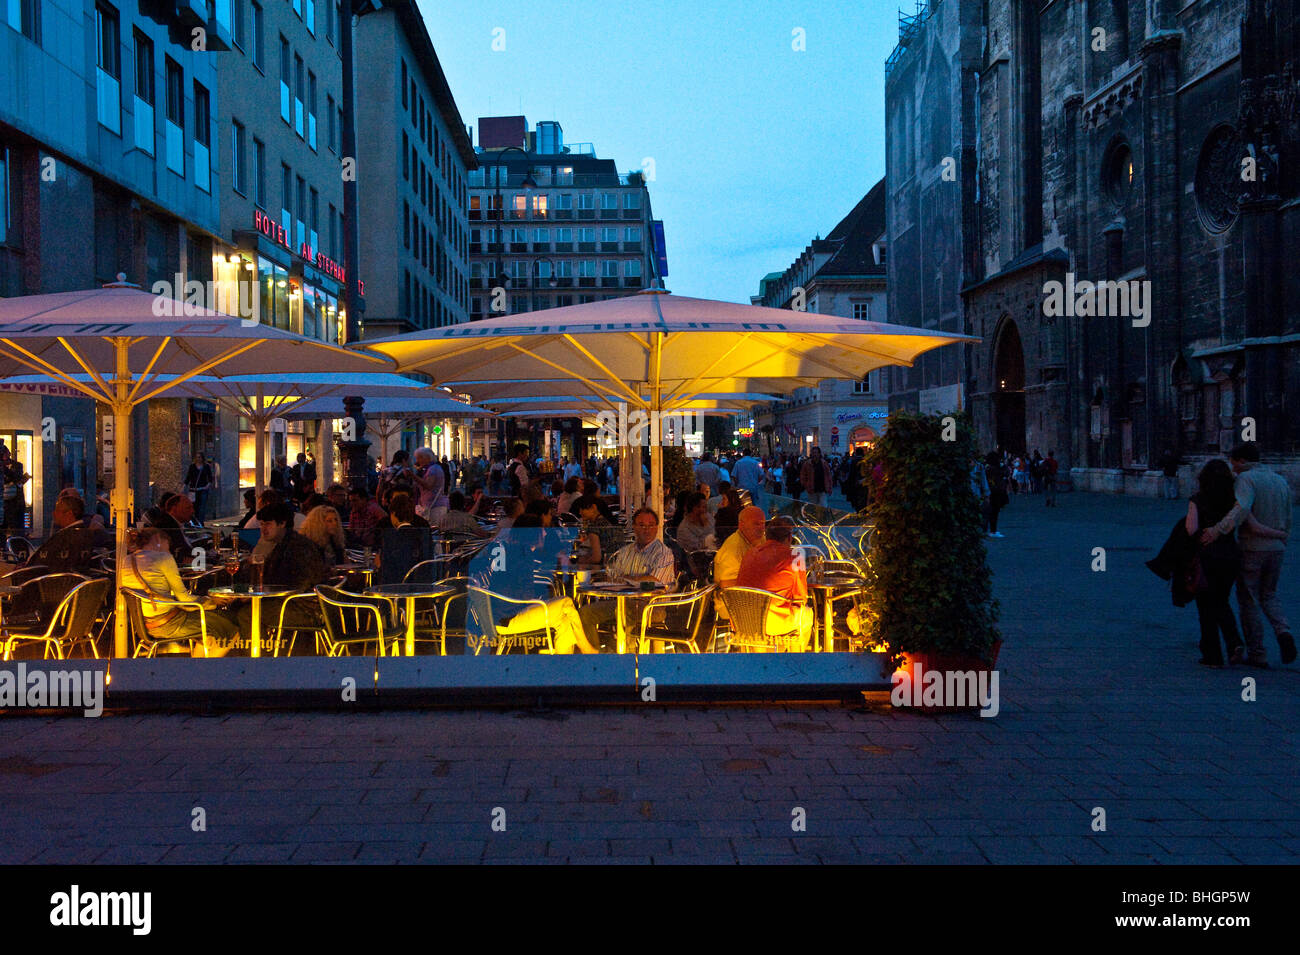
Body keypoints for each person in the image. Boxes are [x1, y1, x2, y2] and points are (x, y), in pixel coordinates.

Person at [1200, 443, 1293, 667]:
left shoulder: (1246, 480)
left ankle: (1257, 653)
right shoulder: (1280, 481)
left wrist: (1217, 530)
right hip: (1277, 547)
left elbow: (1241, 509)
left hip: (1253, 547)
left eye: (1234, 464)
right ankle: (1283, 631)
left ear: (1242, 461)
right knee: (1269, 594)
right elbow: (1289, 515)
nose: (1232, 470)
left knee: (1249, 599)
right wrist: (1283, 536)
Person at [467, 520, 598, 654]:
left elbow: (510, 588)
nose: (545, 532)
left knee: (564, 619)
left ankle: (565, 659)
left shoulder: (512, 552)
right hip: (509, 619)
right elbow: (517, 593)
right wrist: (538, 598)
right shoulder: (521, 557)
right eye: (541, 530)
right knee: (566, 603)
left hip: (502, 614)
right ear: (532, 535)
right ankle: (586, 648)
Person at [121, 526, 239, 657]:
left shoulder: (126, 560)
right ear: (159, 540)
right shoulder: (163, 558)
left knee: (211, 630)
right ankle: (205, 671)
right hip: (171, 624)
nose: (169, 550)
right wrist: (212, 602)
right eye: (168, 546)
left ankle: (197, 667)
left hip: (145, 625)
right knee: (229, 625)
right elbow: (185, 601)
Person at [236, 502, 331, 651]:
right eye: (261, 524)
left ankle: (259, 660)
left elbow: (292, 585)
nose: (263, 529)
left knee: (247, 614)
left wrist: (251, 594)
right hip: (305, 605)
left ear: (282, 524)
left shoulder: (296, 548)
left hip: (306, 609)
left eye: (268, 524)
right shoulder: (285, 544)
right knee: (246, 609)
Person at [579, 508, 676, 651]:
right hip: (623, 602)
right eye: (641, 525)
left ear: (657, 527)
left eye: (651, 525)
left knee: (628, 612)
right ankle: (595, 657)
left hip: (652, 607)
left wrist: (627, 579)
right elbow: (613, 576)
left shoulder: (663, 553)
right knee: (585, 613)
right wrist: (626, 579)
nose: (646, 529)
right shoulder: (626, 551)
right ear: (634, 527)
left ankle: (628, 659)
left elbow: (654, 581)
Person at [1183, 460, 1244, 668]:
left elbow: (1191, 529)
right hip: (1230, 555)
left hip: (1207, 557)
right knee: (1221, 600)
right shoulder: (1233, 499)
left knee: (1206, 606)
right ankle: (1234, 642)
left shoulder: (1197, 499)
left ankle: (1212, 654)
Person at [735, 515, 813, 648]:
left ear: (767, 536)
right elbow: (801, 598)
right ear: (789, 538)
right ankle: (796, 662)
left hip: (744, 622)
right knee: (807, 614)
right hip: (774, 624)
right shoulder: (795, 556)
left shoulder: (749, 553)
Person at [28, 495, 113, 574]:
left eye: (57, 510)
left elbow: (41, 563)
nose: (54, 513)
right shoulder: (88, 533)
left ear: (69, 514)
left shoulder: (65, 537)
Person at [713, 505, 767, 618]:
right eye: (756, 524)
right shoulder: (733, 548)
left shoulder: (760, 539)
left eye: (763, 523)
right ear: (741, 525)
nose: (761, 528)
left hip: (756, 597)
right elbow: (728, 586)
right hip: (731, 604)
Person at [984, 452, 1009, 538]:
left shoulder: (988, 468)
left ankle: (991, 530)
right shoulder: (994, 469)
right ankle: (992, 530)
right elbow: (1004, 473)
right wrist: (1004, 466)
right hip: (995, 491)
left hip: (992, 491)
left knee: (992, 511)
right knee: (994, 512)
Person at [184, 452, 213, 524]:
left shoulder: (206, 466)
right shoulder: (192, 466)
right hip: (193, 490)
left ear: (202, 458)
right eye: (197, 457)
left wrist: (208, 485)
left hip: (202, 489)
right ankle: (194, 522)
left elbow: (210, 478)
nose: (198, 459)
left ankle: (200, 522)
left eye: (199, 457)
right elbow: (188, 477)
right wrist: (184, 486)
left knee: (201, 507)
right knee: (193, 507)